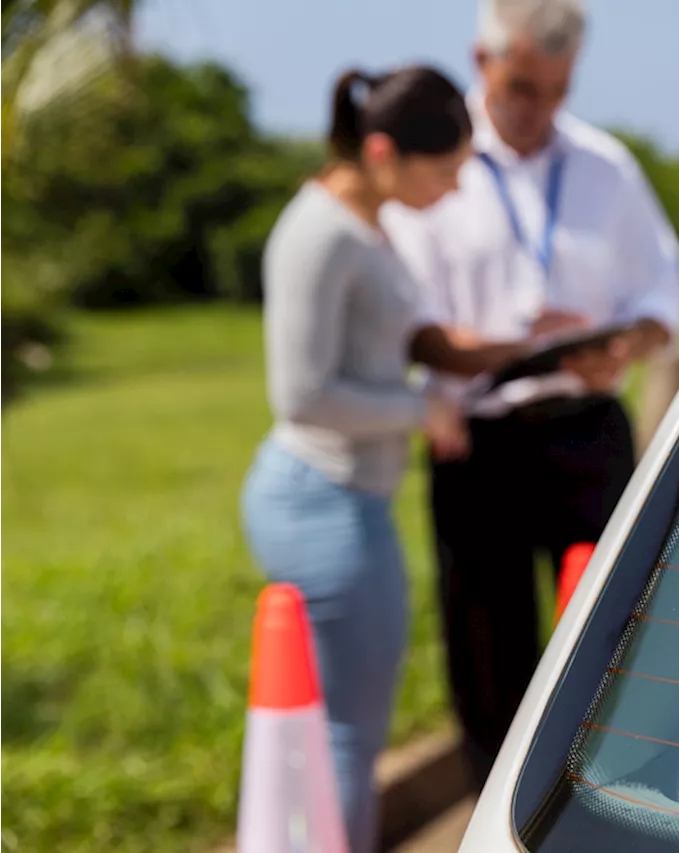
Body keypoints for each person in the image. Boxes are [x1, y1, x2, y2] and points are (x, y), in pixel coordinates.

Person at [381, 0, 679, 786]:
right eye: (524, 88)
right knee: (486, 642)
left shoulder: (606, 166)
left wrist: (625, 344)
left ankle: (619, 793)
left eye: (557, 90)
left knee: (615, 625)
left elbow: (666, 292)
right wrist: (501, 347)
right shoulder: (432, 167)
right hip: (479, 439)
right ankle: (498, 800)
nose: (541, 109)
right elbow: (403, 314)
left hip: (585, 429)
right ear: (481, 63)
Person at [239, 64, 521, 853]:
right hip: (320, 499)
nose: (457, 191)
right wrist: (420, 409)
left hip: (349, 497)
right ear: (385, 151)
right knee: (344, 738)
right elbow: (299, 395)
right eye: (446, 172)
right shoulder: (318, 233)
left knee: (345, 731)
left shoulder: (367, 220)